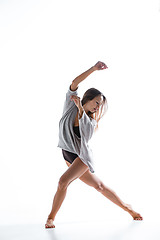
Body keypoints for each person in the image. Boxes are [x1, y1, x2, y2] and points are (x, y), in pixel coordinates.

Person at [45, 61, 143, 228]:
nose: (98, 107)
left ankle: (50, 218)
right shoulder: (70, 106)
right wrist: (93, 69)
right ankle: (128, 208)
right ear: (87, 99)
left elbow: (86, 133)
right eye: (96, 102)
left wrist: (82, 110)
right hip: (68, 154)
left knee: (63, 182)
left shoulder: (91, 122)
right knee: (99, 186)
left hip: (82, 158)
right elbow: (74, 83)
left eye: (100, 105)